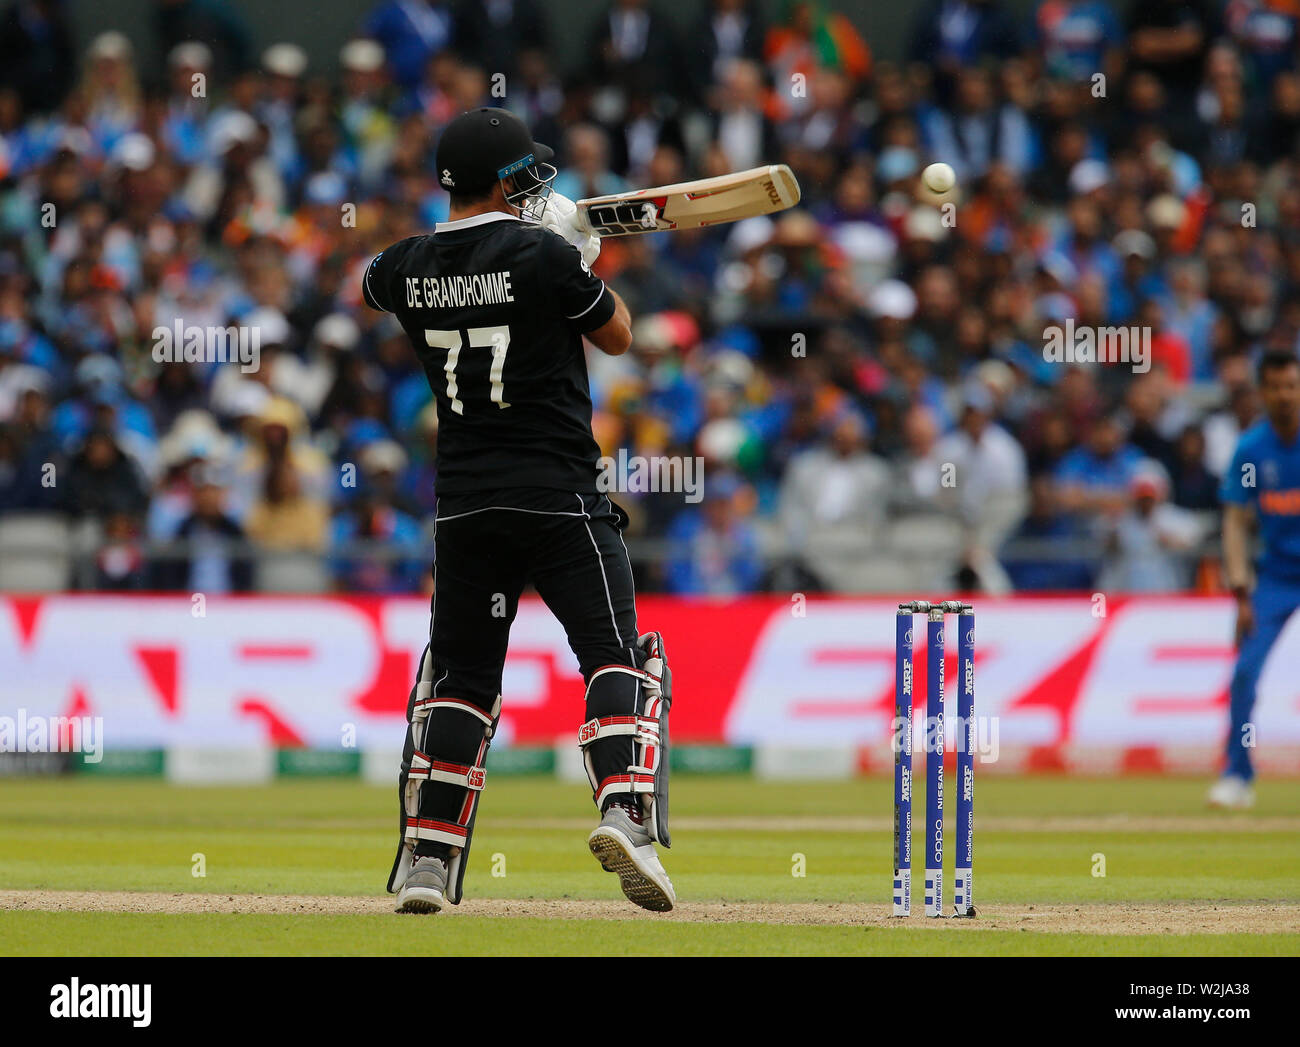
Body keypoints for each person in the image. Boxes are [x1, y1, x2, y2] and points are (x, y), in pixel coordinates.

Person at [363, 107, 675, 914]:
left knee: (462, 680)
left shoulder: (403, 266)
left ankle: (429, 866)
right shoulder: (543, 256)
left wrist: (527, 249)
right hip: (559, 495)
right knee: (616, 656)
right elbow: (618, 335)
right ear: (512, 181)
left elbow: (373, 281)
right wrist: (577, 256)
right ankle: (623, 814)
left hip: (465, 507)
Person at [1213, 350, 1300, 809]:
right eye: (1276, 387)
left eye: (1292, 385)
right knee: (1245, 672)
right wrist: (1241, 589)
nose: (1285, 395)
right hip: (1276, 577)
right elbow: (1235, 522)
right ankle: (1237, 775)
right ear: (1263, 391)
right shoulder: (1251, 450)